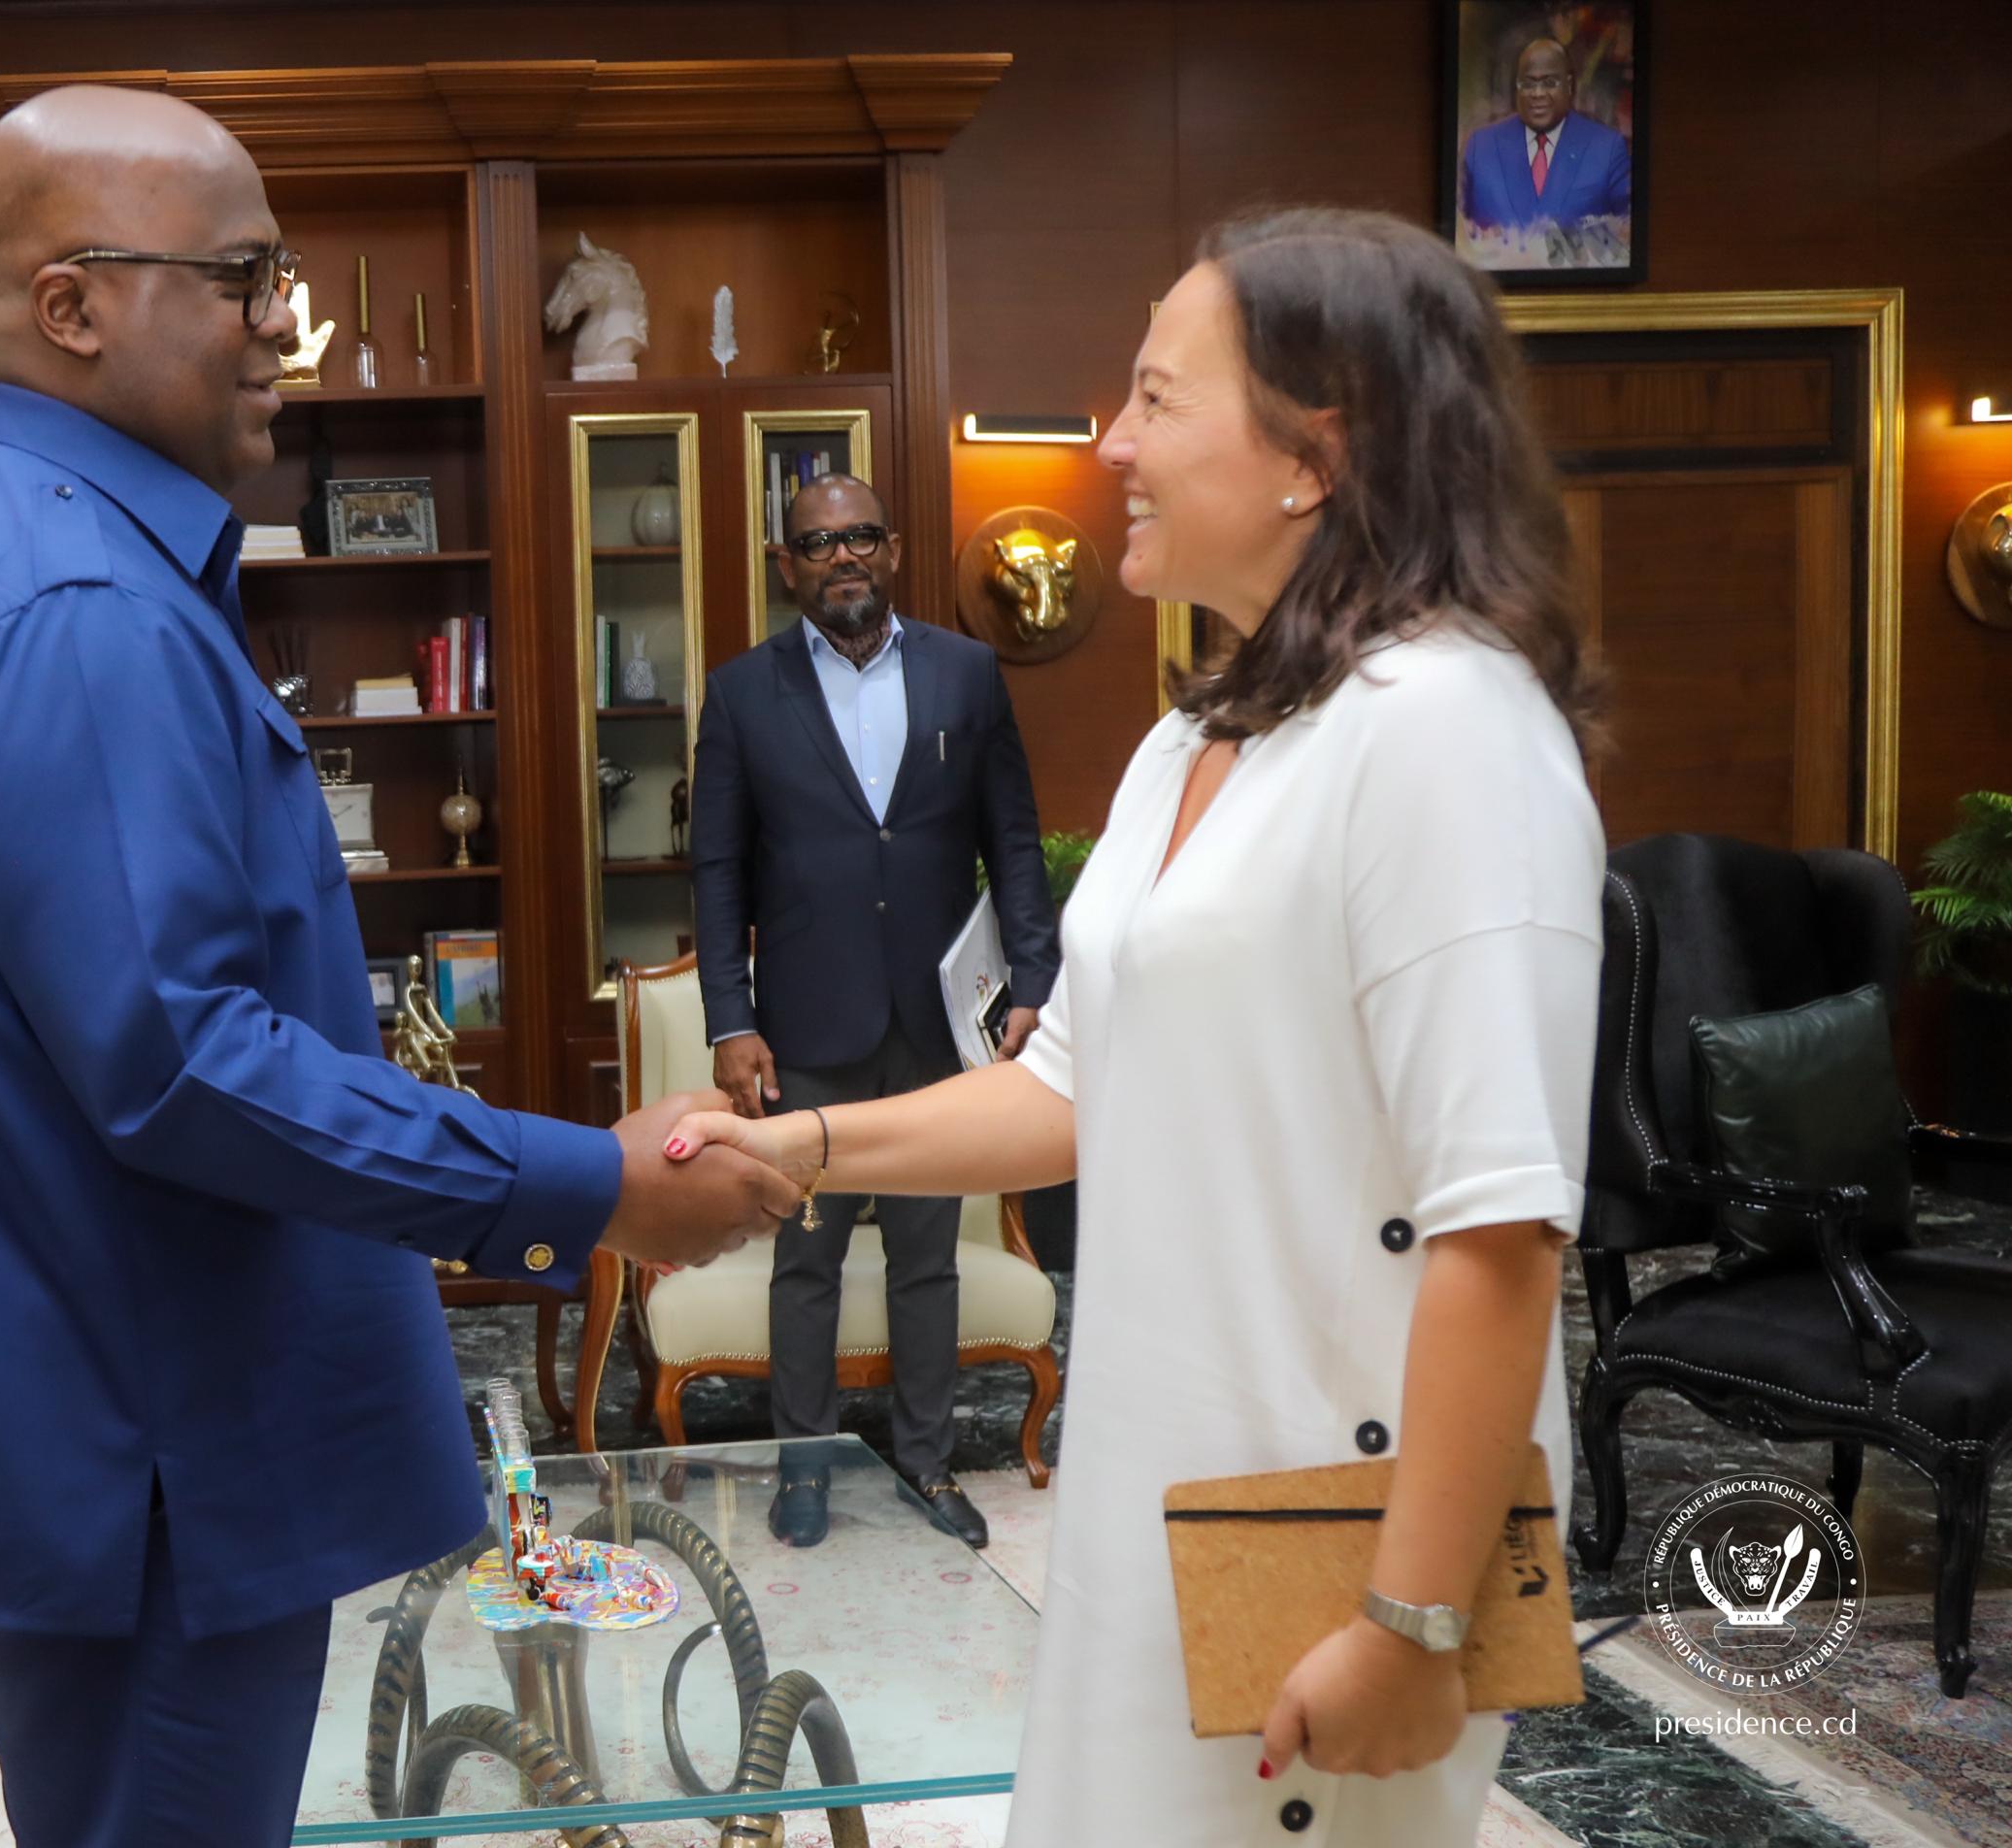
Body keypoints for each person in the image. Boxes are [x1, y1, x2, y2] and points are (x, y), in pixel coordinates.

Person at [0, 85, 795, 1848]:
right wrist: (587, 1184)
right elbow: (181, 1059)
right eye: (246, 278)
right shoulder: (79, 606)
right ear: (74, 303)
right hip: (155, 1449)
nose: (288, 323)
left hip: (92, 1414)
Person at [663, 207, 1605, 1843]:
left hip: (1335, 1529)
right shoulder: (1200, 735)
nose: (1110, 445)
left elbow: (1501, 1227)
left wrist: (1414, 1618)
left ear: (1316, 452)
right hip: (1153, 1476)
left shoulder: (1450, 728)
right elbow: (1065, 1086)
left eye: (1157, 399)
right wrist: (792, 1147)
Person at [689, 473, 1059, 1551]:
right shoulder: (743, 694)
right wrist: (729, 1019)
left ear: (891, 550)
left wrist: (1034, 984)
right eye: (817, 543)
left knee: (927, 1258)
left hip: (936, 1028)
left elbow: (1014, 842)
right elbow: (717, 871)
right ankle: (804, 1470)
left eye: (859, 537)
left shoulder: (966, 673)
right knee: (805, 1261)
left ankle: (928, 1465)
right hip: (807, 1028)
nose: (842, 556)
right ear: (787, 565)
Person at [1460, 37, 1632, 238]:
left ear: (1569, 85)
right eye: (1528, 83)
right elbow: (1459, 233)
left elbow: (1626, 235)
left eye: (1549, 83)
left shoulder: (1607, 148)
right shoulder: (1481, 146)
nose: (1538, 93)